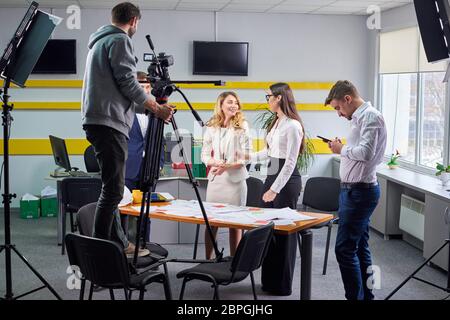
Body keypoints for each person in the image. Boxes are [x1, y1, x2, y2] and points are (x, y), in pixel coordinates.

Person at [81, 2, 173, 258]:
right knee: (112, 191)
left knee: (111, 189)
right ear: (133, 21)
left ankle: (120, 243)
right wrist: (156, 107)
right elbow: (128, 83)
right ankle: (100, 253)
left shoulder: (99, 43)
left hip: (100, 120)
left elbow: (118, 92)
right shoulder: (120, 40)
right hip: (109, 124)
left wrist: (150, 109)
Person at [325, 80, 386, 300]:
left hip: (360, 193)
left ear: (347, 99)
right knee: (359, 247)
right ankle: (366, 297)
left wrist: (342, 149)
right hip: (353, 191)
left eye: (338, 108)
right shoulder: (359, 118)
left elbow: (367, 153)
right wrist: (344, 148)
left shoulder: (370, 116)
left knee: (344, 249)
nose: (339, 114)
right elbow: (359, 150)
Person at [247, 82, 306, 296]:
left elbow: (290, 162)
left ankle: (281, 285)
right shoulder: (277, 122)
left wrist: (274, 189)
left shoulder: (293, 125)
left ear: (279, 97)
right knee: (268, 231)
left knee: (284, 233)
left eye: (268, 96)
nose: (267, 100)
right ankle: (269, 281)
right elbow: (269, 152)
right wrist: (248, 157)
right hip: (272, 176)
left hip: (286, 182)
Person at [201, 91, 252, 259]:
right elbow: (204, 154)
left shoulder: (242, 125)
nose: (234, 105)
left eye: (236, 102)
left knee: (234, 224)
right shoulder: (212, 126)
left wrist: (227, 166)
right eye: (230, 102)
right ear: (221, 105)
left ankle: (234, 263)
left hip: (235, 181)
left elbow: (247, 156)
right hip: (216, 180)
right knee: (211, 223)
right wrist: (215, 163)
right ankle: (208, 259)